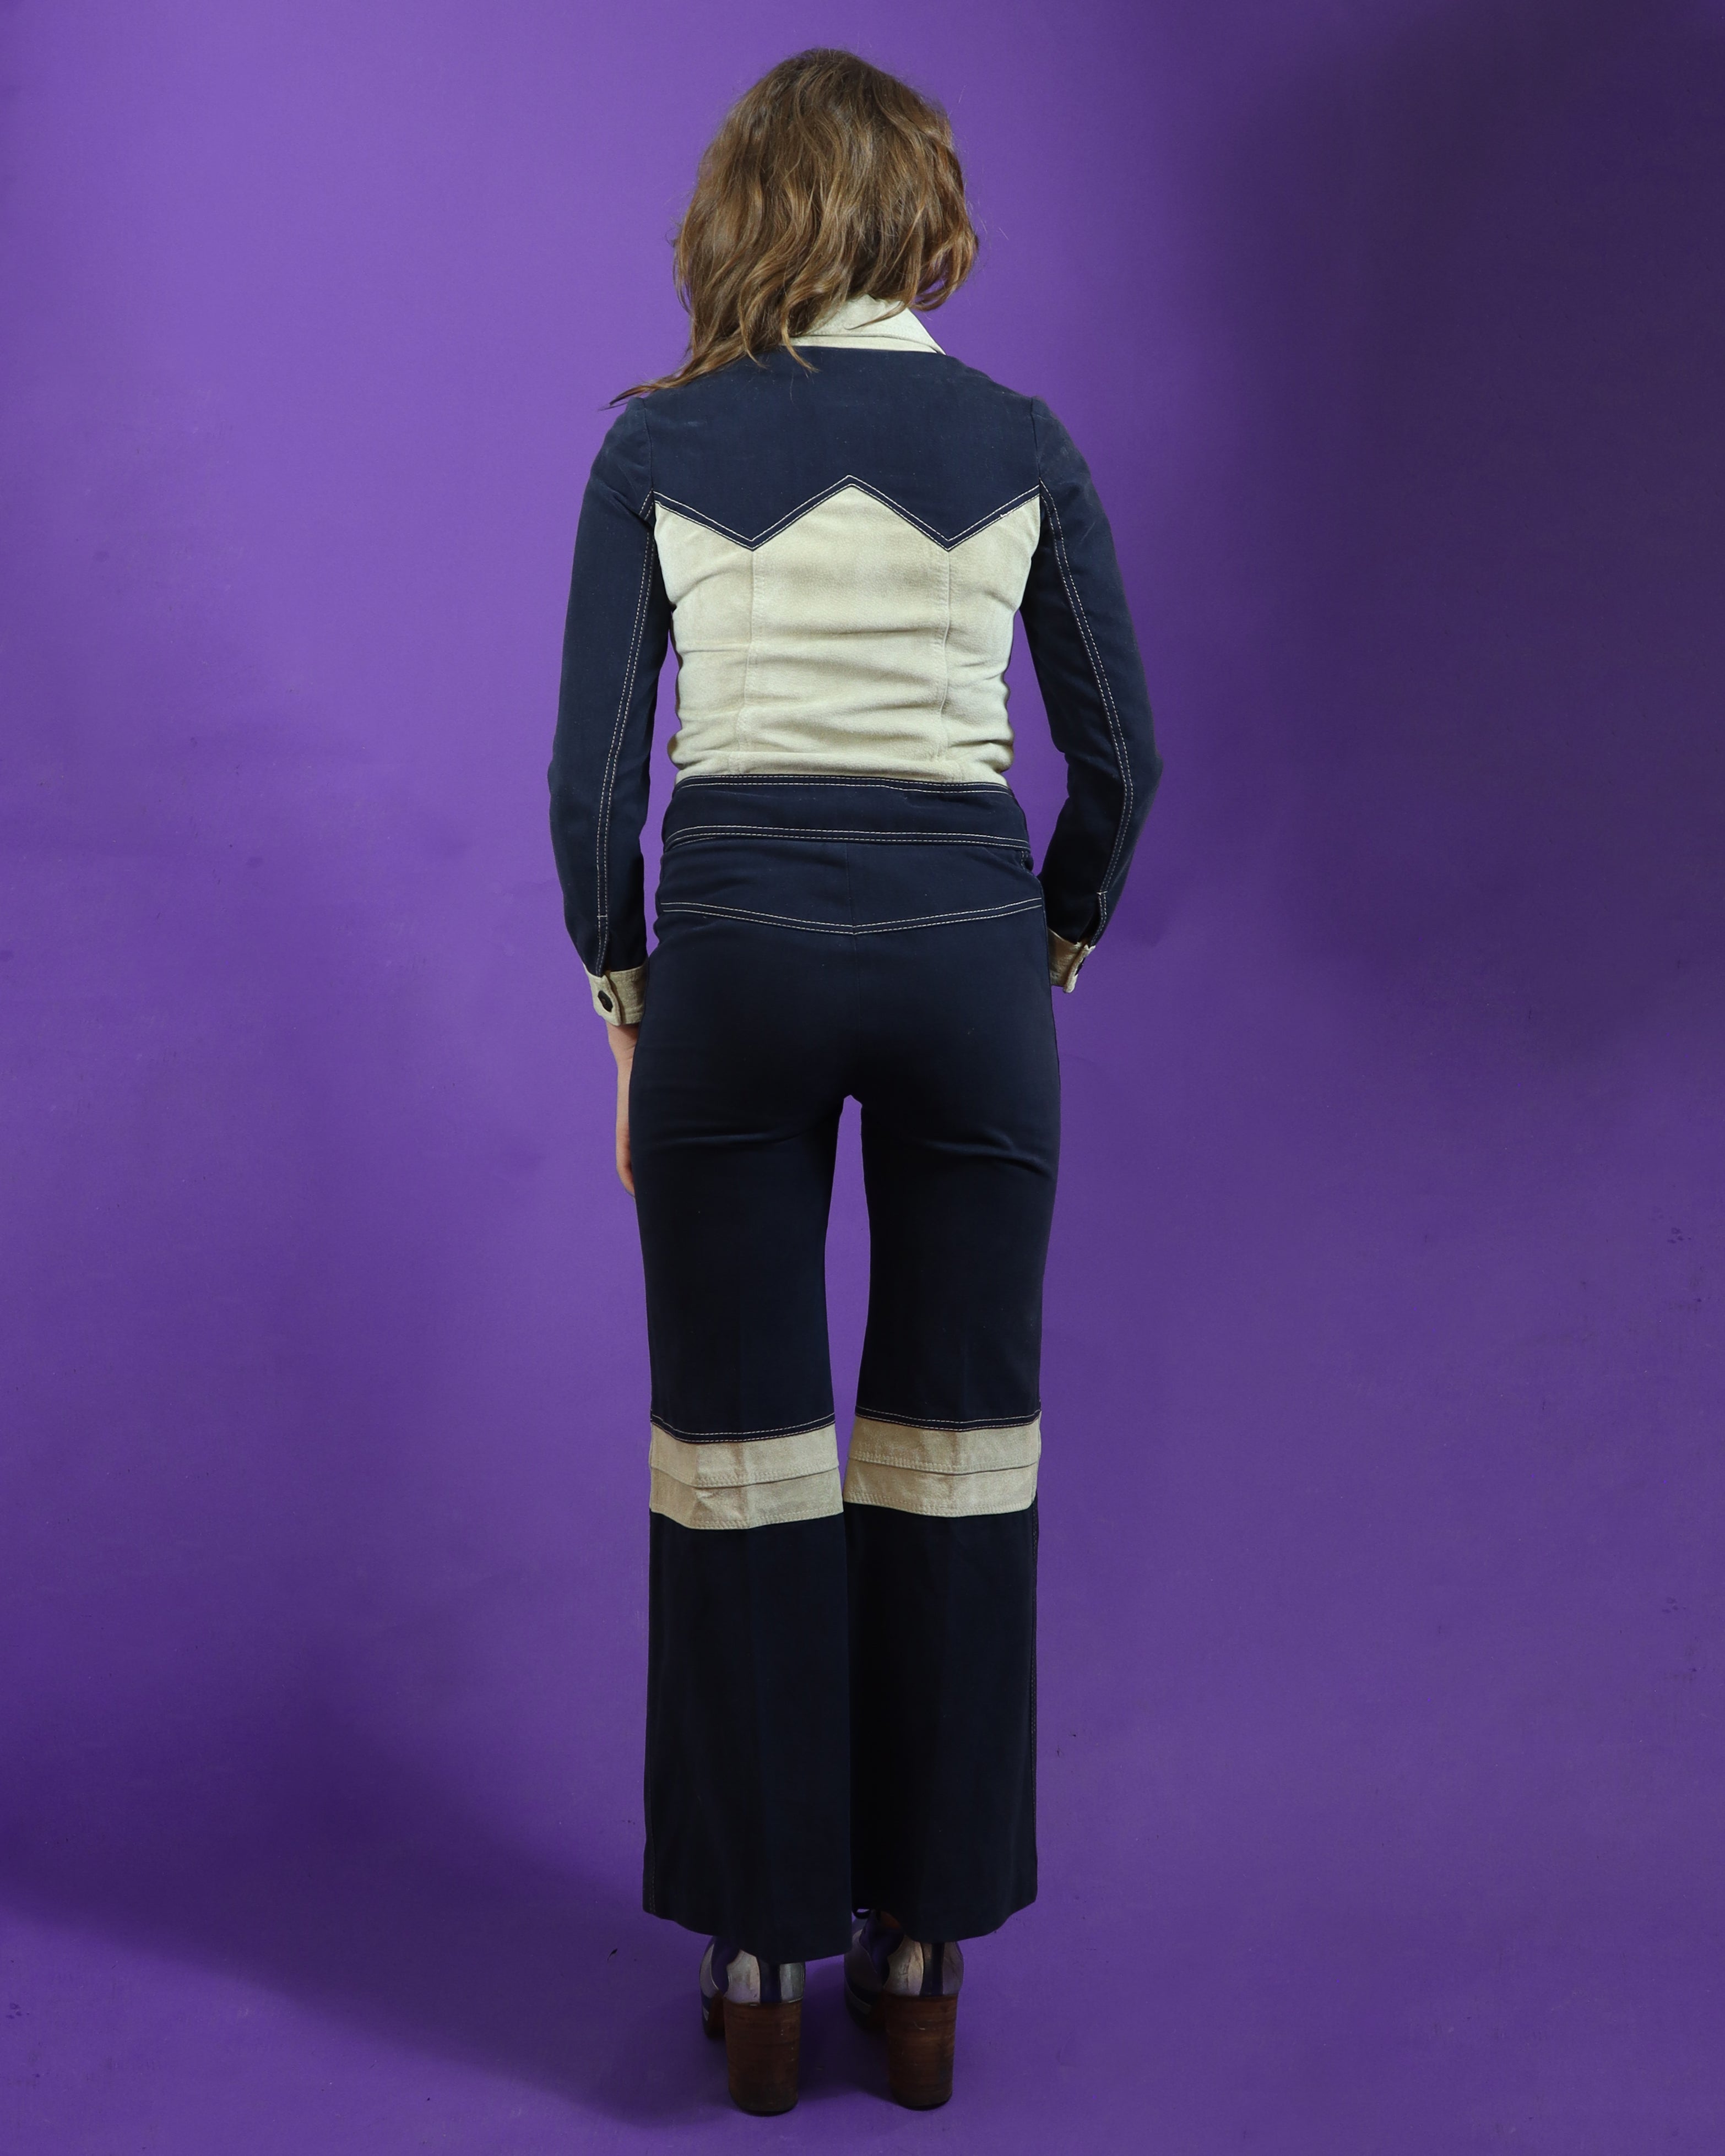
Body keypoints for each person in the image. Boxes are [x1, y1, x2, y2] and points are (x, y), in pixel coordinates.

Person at [547, 46, 1160, 2114]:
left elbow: (586, 789)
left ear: (746, 212)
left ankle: (755, 1957)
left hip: (732, 963)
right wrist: (1044, 937)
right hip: (969, 961)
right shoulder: (1022, 440)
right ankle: (920, 1956)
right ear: (924, 216)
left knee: (736, 1461)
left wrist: (626, 998)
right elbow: (1125, 757)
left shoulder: (659, 445)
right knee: (956, 1456)